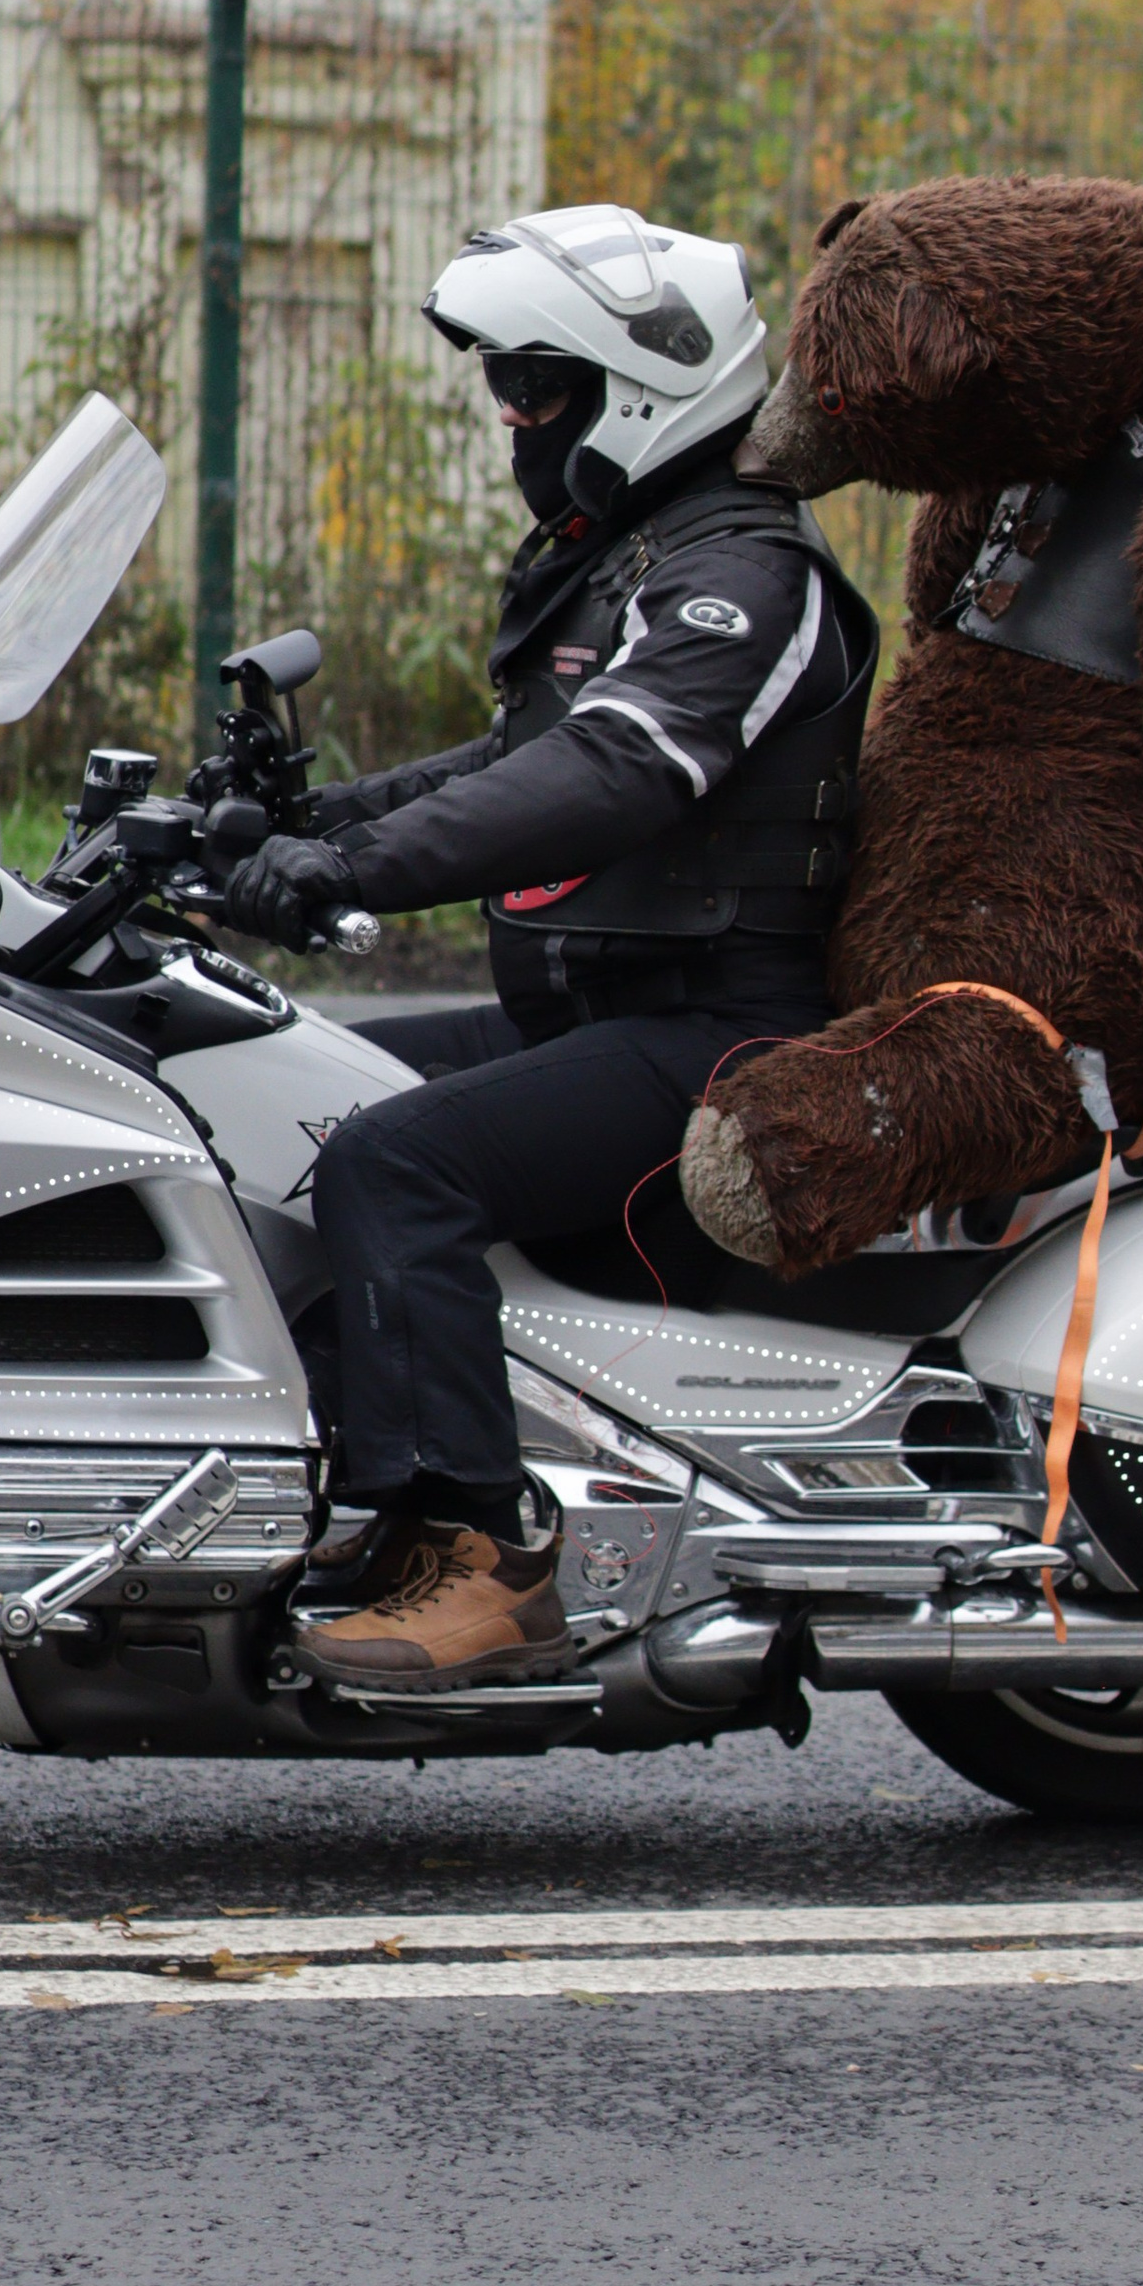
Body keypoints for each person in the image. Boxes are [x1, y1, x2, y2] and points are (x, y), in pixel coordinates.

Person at [219, 203, 877, 1691]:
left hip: (720, 1034)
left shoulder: (747, 574)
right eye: (505, 383)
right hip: (599, 1013)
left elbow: (617, 771)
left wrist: (353, 868)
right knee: (286, 1096)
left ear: (638, 391)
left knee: (401, 1159)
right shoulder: (632, 552)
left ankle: (479, 1556)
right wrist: (285, 823)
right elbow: (514, 754)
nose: (512, 415)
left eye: (537, 385)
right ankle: (348, 1486)